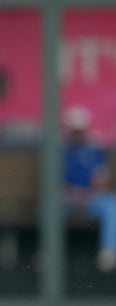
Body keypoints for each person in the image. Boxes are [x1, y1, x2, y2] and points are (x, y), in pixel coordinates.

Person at [62, 106, 116, 272]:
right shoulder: (60, 150)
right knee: (50, 206)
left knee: (111, 206)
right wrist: (70, 193)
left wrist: (91, 191)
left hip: (91, 198)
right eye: (74, 130)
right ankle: (50, 251)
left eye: (80, 130)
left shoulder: (95, 150)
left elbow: (102, 178)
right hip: (67, 199)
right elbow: (52, 181)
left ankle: (108, 251)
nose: (77, 134)